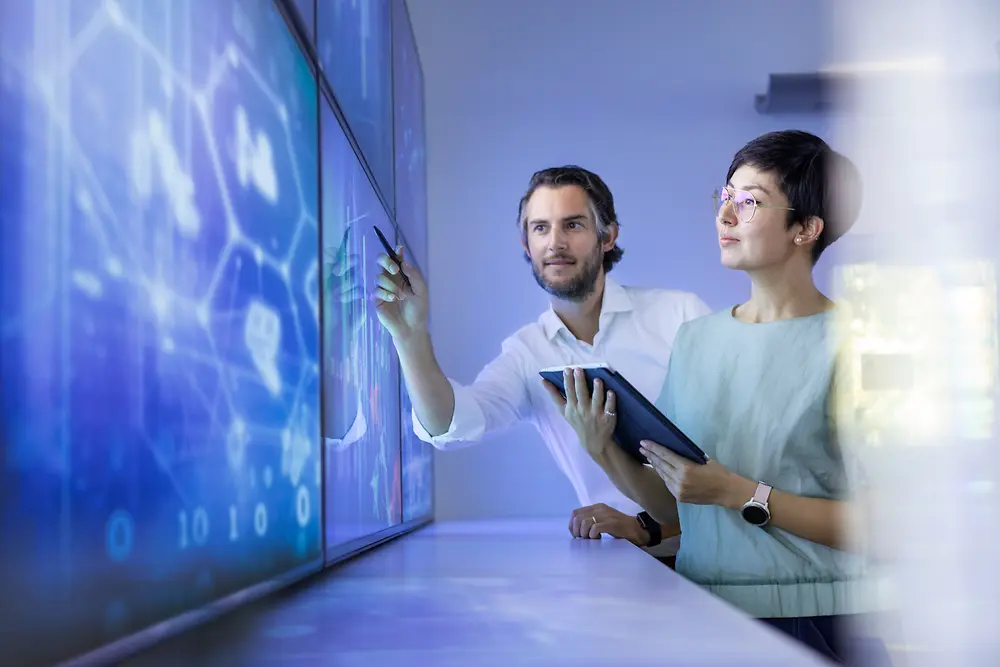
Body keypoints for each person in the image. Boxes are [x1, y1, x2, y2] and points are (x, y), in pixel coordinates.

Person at [547, 131, 887, 664]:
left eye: (749, 202)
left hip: (812, 622)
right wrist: (603, 448)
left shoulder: (855, 344)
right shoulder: (695, 339)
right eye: (725, 196)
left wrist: (739, 492)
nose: (724, 216)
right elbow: (679, 506)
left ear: (806, 228)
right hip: (699, 612)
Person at [372, 165, 710, 555]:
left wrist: (648, 527)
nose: (555, 243)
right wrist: (410, 336)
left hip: (717, 563)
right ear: (525, 243)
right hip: (621, 568)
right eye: (540, 228)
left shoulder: (680, 316)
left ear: (608, 236)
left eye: (573, 225)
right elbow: (449, 423)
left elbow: (735, 459)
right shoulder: (527, 353)